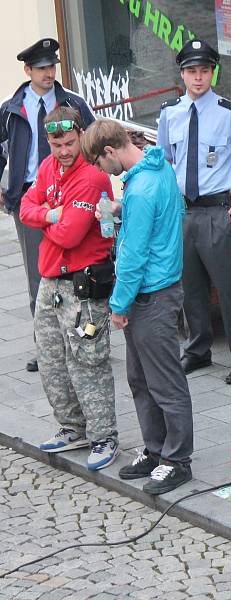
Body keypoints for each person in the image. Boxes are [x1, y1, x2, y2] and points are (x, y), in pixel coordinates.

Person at [81, 118, 194, 495]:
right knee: (141, 378)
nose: (101, 171)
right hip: (155, 290)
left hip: (152, 295)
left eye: (99, 163)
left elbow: (133, 256)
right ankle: (156, 448)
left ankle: (177, 460)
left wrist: (118, 304)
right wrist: (119, 209)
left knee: (163, 381)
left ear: (110, 151)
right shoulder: (153, 168)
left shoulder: (142, 186)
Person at [157, 39, 231, 385]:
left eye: (204, 70)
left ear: (212, 72)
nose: (198, 77)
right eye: (191, 71)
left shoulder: (229, 113)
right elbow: (164, 161)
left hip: (217, 209)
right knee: (189, 286)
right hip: (182, 212)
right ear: (182, 74)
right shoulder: (169, 112)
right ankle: (198, 348)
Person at [19, 107, 117, 471]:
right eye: (57, 144)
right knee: (51, 360)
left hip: (83, 287)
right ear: (49, 141)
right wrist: (49, 213)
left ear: (81, 136)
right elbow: (26, 205)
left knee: (87, 362)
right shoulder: (48, 168)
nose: (63, 150)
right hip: (50, 282)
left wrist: (46, 215)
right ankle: (72, 426)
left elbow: (70, 233)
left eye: (70, 142)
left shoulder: (90, 178)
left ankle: (104, 434)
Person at [0, 37, 95, 373]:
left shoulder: (72, 102)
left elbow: (95, 142)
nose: (48, 73)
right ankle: (46, 345)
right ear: (27, 70)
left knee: (78, 269)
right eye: (41, 68)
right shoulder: (12, 107)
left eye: (52, 66)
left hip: (71, 196)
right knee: (37, 275)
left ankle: (87, 337)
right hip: (30, 195)